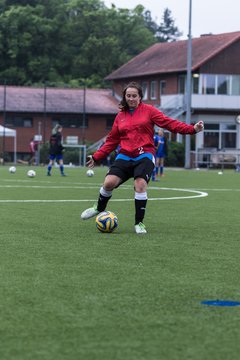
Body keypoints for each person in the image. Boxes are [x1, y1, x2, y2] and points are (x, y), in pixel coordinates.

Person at [81, 82, 204, 234]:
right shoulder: (120, 116)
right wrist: (97, 156)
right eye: (128, 96)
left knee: (140, 185)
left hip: (144, 154)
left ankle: (139, 223)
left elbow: (169, 123)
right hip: (125, 155)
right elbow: (112, 140)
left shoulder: (149, 111)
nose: (131, 98)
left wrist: (192, 129)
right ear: (125, 97)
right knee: (109, 183)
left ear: (140, 97)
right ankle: (98, 208)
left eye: (134, 96)